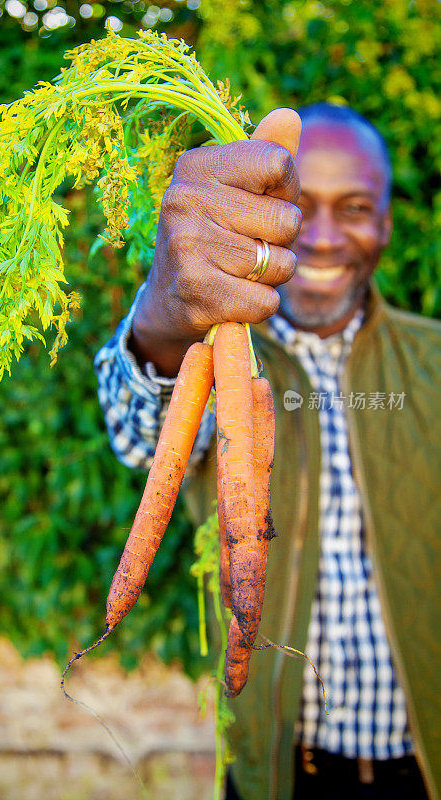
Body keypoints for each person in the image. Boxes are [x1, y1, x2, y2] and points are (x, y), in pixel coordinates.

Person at [94, 103, 440, 800]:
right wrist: (163, 316)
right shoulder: (215, 352)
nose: (319, 236)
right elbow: (138, 442)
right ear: (261, 210)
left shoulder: (434, 359)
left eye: (353, 207)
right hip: (273, 771)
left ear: (386, 224)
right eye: (297, 205)